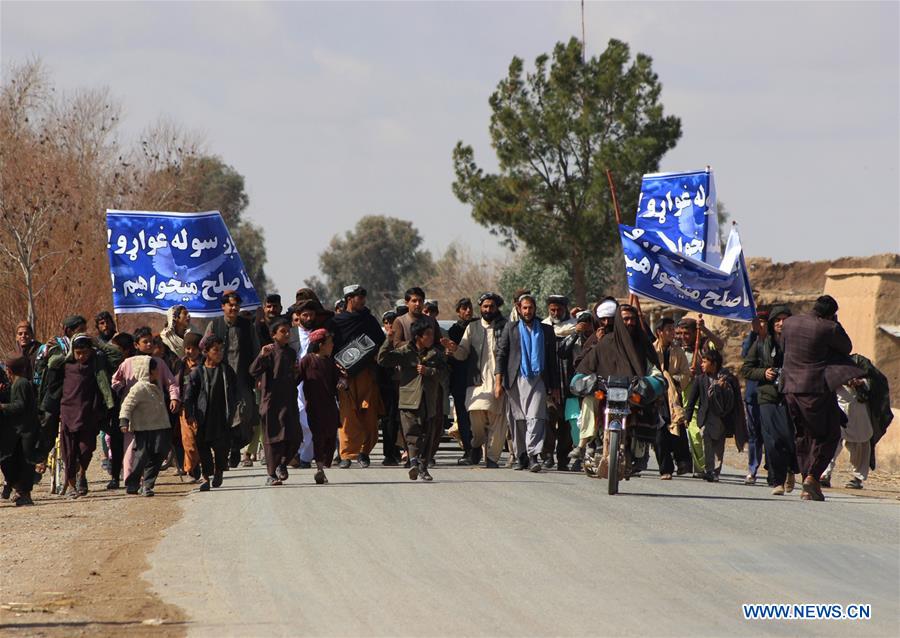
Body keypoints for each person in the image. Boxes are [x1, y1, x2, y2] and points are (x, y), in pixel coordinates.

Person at [781, 295, 862, 501]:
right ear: (830, 314)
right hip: (815, 389)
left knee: (803, 434)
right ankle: (812, 477)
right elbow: (846, 347)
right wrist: (835, 323)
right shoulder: (828, 328)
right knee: (829, 434)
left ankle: (808, 478)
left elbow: (784, 348)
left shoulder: (789, 323)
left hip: (790, 388)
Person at [43, 334, 117, 497]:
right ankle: (71, 486)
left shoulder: (96, 365)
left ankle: (81, 473)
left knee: (86, 449)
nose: (81, 356)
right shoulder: (65, 365)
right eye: (78, 353)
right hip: (68, 414)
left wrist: (99, 343)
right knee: (68, 453)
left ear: (91, 351)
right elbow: (48, 366)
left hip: (89, 415)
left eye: (85, 352)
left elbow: (116, 355)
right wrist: (49, 351)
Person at [442, 293, 508, 468]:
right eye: (485, 307)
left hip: (499, 380)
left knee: (498, 421)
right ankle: (476, 444)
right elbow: (463, 353)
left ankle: (492, 458)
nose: (488, 310)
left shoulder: (505, 327)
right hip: (476, 382)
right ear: (481, 308)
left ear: (497, 308)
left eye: (491, 306)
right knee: (475, 416)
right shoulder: (472, 327)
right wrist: (454, 349)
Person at [377, 318, 447, 481]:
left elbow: (444, 374)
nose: (431, 338)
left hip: (428, 400)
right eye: (427, 335)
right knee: (411, 433)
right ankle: (414, 462)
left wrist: (429, 371)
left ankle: (423, 466)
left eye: (431, 334)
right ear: (418, 337)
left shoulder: (436, 354)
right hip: (408, 399)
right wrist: (388, 340)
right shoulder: (405, 352)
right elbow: (383, 359)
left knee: (427, 434)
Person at [496, 294, 559, 472]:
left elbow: (552, 361)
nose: (528, 311)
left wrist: (554, 386)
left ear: (535, 309)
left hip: (538, 379)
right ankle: (521, 455)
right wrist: (498, 381)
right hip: (515, 379)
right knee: (518, 420)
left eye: (530, 308)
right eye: (524, 308)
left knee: (536, 417)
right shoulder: (511, 328)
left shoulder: (546, 330)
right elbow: (501, 354)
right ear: (518, 308)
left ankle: (533, 456)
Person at [741, 305, 800, 495]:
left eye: (785, 319)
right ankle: (777, 481)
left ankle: (792, 469)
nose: (781, 323)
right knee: (772, 440)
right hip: (767, 396)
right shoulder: (761, 344)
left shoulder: (797, 344)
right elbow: (747, 369)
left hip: (791, 396)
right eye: (777, 320)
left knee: (789, 438)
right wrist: (763, 372)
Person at [112, 326, 180, 484]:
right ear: (136, 345)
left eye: (151, 342)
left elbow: (171, 383)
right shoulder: (127, 363)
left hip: (154, 413)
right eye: (145, 342)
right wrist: (123, 390)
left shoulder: (159, 363)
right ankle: (131, 479)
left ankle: (146, 478)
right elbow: (115, 380)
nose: (149, 345)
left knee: (155, 447)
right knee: (131, 446)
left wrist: (174, 398)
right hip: (132, 411)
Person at [204, 291, 261, 468]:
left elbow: (255, 350)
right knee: (223, 415)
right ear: (223, 306)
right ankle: (228, 450)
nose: (234, 308)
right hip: (219, 379)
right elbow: (204, 348)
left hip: (242, 378)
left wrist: (257, 375)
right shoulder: (215, 325)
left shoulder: (246, 325)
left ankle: (237, 446)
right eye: (230, 305)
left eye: (236, 305)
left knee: (245, 414)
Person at [331, 285, 385, 468]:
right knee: (347, 415)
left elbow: (379, 342)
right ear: (349, 299)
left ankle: (364, 452)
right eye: (358, 297)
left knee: (368, 414)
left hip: (366, 373)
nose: (362, 300)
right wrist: (338, 369)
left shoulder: (368, 320)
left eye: (364, 296)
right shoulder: (337, 322)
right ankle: (346, 454)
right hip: (344, 376)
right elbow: (331, 347)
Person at [820, 354, 893, 490]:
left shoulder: (858, 361)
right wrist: (841, 380)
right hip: (838, 407)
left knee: (861, 444)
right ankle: (824, 474)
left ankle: (857, 478)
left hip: (858, 409)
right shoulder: (830, 362)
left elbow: (877, 381)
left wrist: (860, 383)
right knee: (831, 441)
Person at [249, 318, 302, 486]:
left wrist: (297, 372)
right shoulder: (268, 352)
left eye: (288, 331)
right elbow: (253, 371)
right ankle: (271, 474)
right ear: (273, 335)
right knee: (273, 440)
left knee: (294, 436)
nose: (287, 334)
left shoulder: (292, 352)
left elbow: (295, 377)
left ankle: (283, 464)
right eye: (283, 331)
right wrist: (261, 356)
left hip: (289, 400)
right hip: (271, 402)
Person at [183, 336, 237, 491]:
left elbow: (234, 392)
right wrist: (190, 415)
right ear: (206, 352)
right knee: (203, 448)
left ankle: (219, 470)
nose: (219, 353)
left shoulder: (227, 371)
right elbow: (189, 396)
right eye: (215, 350)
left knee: (221, 448)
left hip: (221, 417)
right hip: (203, 418)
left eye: (221, 350)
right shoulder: (197, 373)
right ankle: (207, 477)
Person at [685, 349, 742, 482]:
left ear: (714, 363)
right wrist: (687, 417)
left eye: (705, 362)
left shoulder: (727, 378)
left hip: (722, 418)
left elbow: (734, 399)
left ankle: (716, 471)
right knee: (706, 440)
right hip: (706, 417)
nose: (702, 365)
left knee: (719, 445)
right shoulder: (700, 379)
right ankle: (709, 469)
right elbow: (692, 400)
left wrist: (723, 387)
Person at [118, 356, 172, 496]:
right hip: (143, 428)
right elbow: (127, 405)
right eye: (155, 370)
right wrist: (124, 420)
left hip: (160, 427)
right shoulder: (139, 388)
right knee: (141, 456)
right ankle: (133, 483)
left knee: (159, 454)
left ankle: (147, 484)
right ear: (147, 371)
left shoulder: (155, 386)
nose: (157, 373)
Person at [297, 329, 344, 485]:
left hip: (330, 406)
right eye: (330, 343)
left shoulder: (331, 362)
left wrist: (343, 383)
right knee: (318, 436)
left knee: (331, 436)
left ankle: (323, 464)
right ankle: (319, 468)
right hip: (314, 406)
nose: (332, 346)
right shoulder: (307, 361)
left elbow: (340, 380)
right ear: (321, 345)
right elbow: (296, 379)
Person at [287, 298, 327, 468]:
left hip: (313, 381)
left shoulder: (319, 335)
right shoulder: (290, 334)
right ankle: (296, 452)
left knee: (312, 419)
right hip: (294, 382)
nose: (309, 318)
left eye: (311, 315)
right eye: (305, 315)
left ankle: (305, 457)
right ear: (298, 316)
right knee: (298, 417)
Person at [652, 317, 693, 480]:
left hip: (673, 396)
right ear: (659, 332)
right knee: (660, 433)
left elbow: (686, 374)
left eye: (672, 329)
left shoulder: (678, 351)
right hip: (656, 395)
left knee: (677, 428)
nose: (672, 333)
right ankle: (665, 469)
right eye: (668, 329)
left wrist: (672, 379)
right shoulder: (651, 349)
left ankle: (683, 462)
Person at [541, 294, 577, 470]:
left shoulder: (574, 326)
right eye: (552, 310)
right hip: (549, 379)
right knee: (548, 416)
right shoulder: (543, 326)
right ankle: (547, 454)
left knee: (566, 420)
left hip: (569, 380)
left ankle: (563, 458)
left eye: (559, 310)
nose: (556, 312)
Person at [0, 356, 40, 506]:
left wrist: (3, 407)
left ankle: (25, 494)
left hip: (25, 430)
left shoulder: (21, 383)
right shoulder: (15, 384)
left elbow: (20, 405)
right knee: (10, 461)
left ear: (9, 370)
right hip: (17, 431)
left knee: (25, 463)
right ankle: (19, 490)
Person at [740, 310, 769, 485]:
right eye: (758, 322)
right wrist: (753, 332)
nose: (761, 325)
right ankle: (752, 469)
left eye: (763, 322)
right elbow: (745, 355)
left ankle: (773, 470)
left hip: (771, 395)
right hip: (753, 394)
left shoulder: (776, 342)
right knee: (754, 435)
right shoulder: (751, 340)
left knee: (771, 434)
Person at [447, 298, 475, 464]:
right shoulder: (454, 330)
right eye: (464, 309)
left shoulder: (478, 327)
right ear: (458, 311)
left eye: (469, 308)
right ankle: (468, 450)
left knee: (478, 417)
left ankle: (479, 448)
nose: (468, 311)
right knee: (463, 418)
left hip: (477, 378)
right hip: (459, 380)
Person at [175, 332, 203, 481]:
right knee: (188, 440)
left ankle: (194, 466)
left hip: (202, 406)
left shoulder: (205, 364)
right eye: (187, 348)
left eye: (193, 348)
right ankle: (192, 468)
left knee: (199, 438)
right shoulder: (180, 364)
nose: (190, 352)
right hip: (185, 407)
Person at [378, 310, 402, 466]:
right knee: (389, 420)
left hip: (404, 383)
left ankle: (400, 450)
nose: (389, 325)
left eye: (392, 321)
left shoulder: (402, 339)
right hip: (386, 384)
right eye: (386, 322)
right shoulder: (381, 339)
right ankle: (389, 453)